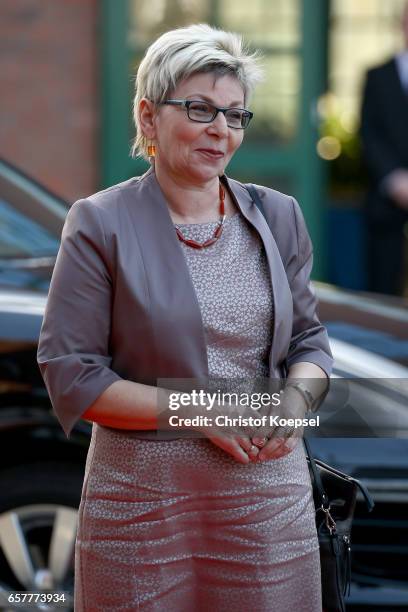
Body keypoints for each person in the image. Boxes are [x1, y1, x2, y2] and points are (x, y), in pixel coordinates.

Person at [37, 23, 333, 611]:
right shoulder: (100, 222)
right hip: (145, 512)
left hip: (269, 507)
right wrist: (202, 410)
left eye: (235, 115)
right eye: (199, 109)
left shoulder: (279, 216)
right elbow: (71, 373)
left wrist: (298, 404)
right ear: (148, 118)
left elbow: (310, 341)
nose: (220, 131)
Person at [360, 2, 408, 295]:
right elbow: (369, 133)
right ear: (401, 24)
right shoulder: (377, 76)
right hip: (386, 207)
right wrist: (395, 180)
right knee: (383, 290)